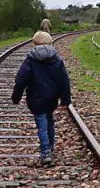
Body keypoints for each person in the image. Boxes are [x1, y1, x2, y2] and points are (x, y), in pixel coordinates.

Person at [11, 31, 72, 166]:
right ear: (50, 42)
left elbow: (20, 80)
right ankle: (50, 147)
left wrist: (16, 97)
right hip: (51, 98)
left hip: (36, 98)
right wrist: (65, 100)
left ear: (34, 43)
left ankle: (45, 152)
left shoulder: (30, 61)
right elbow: (64, 81)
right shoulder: (56, 60)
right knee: (49, 120)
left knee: (42, 123)